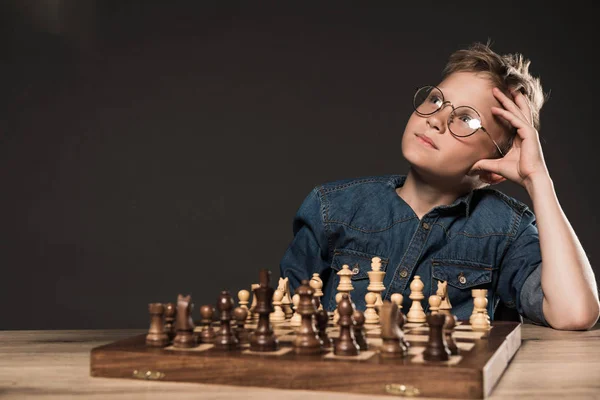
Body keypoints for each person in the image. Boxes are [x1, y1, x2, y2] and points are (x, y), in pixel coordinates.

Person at [279, 40, 599, 330]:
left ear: (493, 169)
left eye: (466, 119)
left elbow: (575, 313)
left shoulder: (506, 232)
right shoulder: (333, 208)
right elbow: (287, 316)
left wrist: (537, 178)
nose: (436, 118)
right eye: (436, 99)